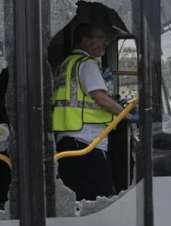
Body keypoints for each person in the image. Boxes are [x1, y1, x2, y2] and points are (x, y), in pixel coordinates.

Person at [52, 24, 130, 201]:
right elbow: (100, 99)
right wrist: (126, 114)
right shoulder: (87, 64)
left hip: (68, 141)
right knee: (98, 199)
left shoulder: (66, 64)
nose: (104, 43)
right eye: (100, 38)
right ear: (85, 40)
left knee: (77, 200)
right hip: (87, 144)